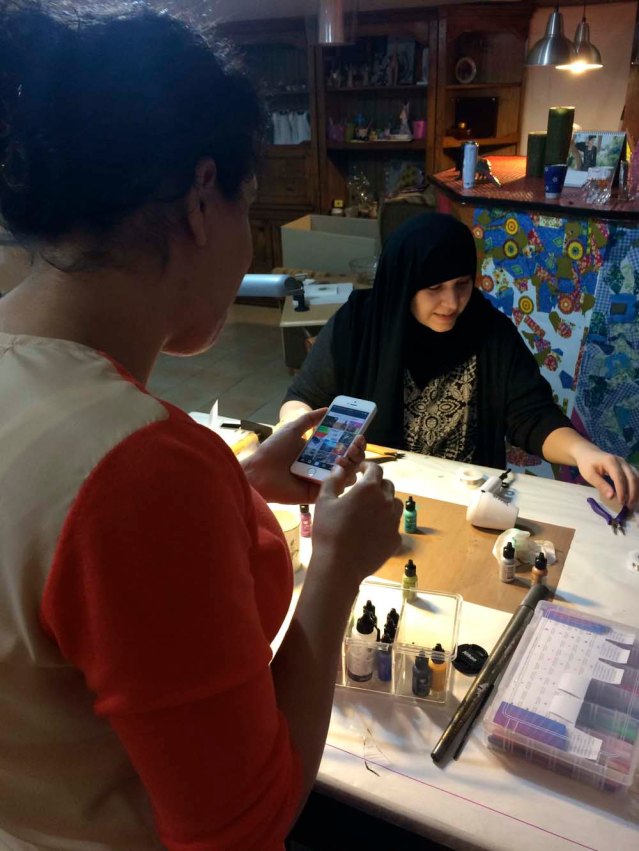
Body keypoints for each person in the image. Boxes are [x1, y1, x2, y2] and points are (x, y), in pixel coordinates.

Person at [0, 5, 403, 850]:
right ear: (198, 201)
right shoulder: (136, 469)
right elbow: (244, 829)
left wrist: (239, 483)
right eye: (248, 206)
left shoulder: (54, 399)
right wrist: (333, 571)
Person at [281, 213, 638, 508]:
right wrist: (301, 430)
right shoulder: (360, 324)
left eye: (462, 284)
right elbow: (302, 399)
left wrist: (583, 451)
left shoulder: (489, 331)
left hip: (464, 499)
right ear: (404, 284)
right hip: (372, 492)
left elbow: (531, 415)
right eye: (434, 288)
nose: (452, 303)